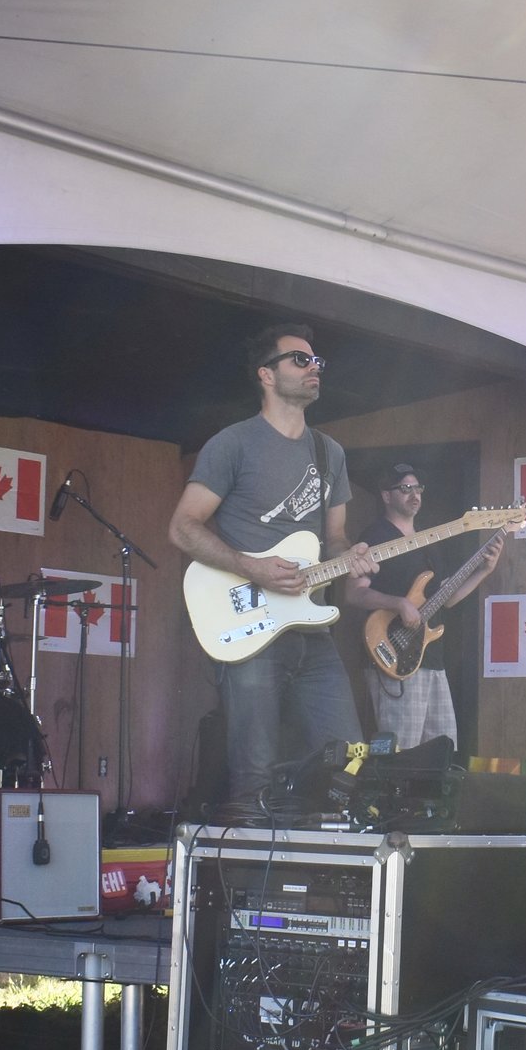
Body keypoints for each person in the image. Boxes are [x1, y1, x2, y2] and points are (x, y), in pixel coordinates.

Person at [170, 323, 378, 807]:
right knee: (254, 774)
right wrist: (252, 567)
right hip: (252, 628)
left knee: (347, 757)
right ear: (267, 374)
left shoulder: (330, 453)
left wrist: (353, 557)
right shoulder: (233, 444)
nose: (314, 368)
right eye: (300, 360)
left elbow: (335, 538)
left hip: (314, 631)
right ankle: (249, 875)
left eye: (317, 361)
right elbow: (183, 527)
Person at [345, 461, 506, 751]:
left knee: (442, 751)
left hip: (430, 658)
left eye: (418, 488)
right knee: (401, 753)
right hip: (393, 655)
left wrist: (484, 571)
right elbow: (354, 594)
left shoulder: (429, 541)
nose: (414, 494)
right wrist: (398, 604)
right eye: (405, 488)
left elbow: (447, 599)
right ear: (386, 496)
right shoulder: (375, 537)